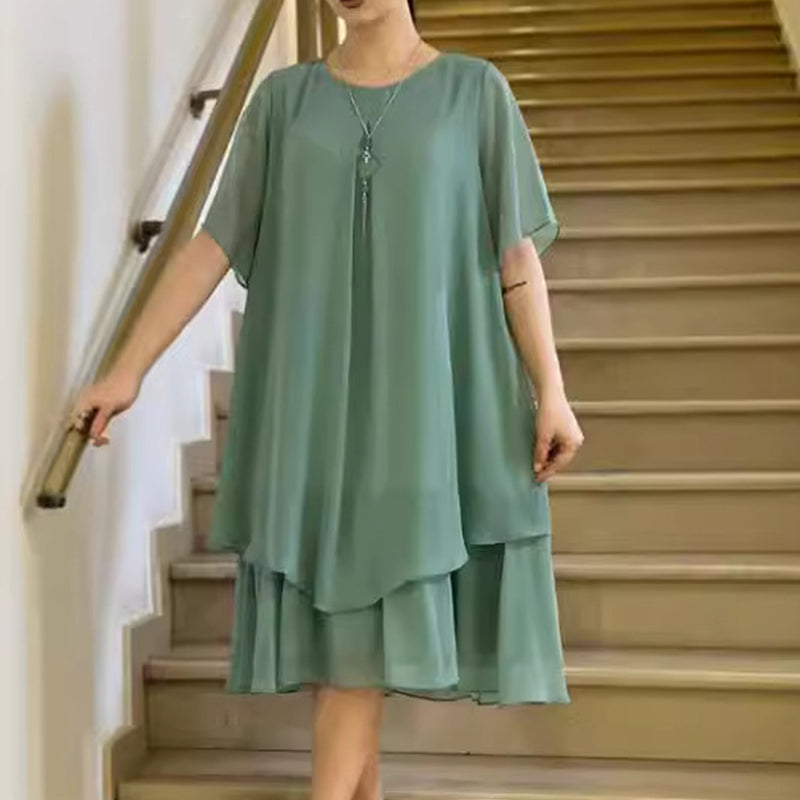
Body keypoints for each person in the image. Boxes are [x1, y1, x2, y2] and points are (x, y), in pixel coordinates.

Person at [71, 0, 585, 796]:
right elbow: (212, 246)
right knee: (347, 658)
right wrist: (128, 368)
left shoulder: (474, 92)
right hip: (307, 413)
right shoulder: (283, 101)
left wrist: (551, 389)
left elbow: (515, 260)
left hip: (420, 418)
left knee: (353, 656)